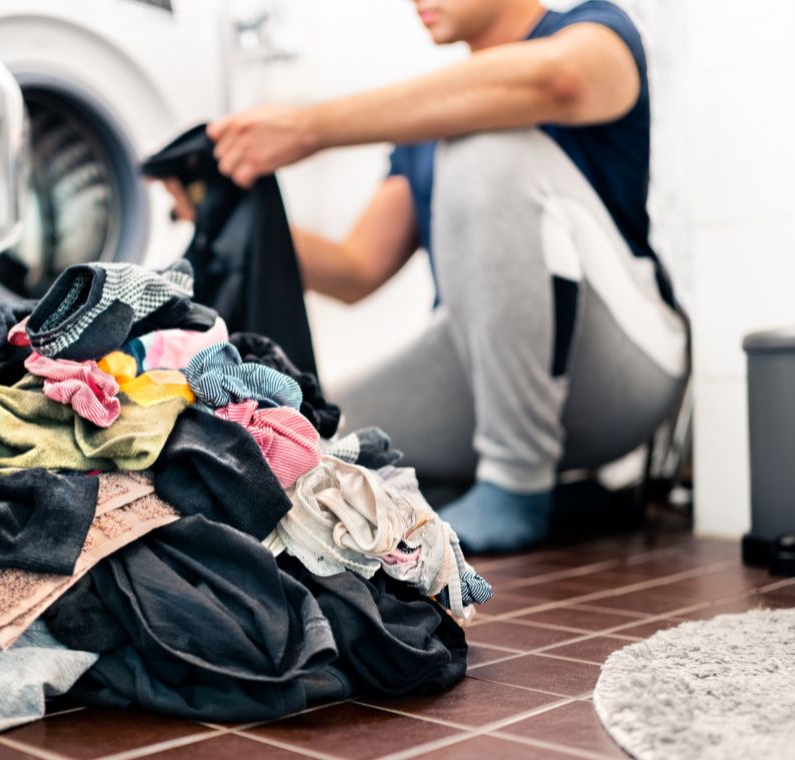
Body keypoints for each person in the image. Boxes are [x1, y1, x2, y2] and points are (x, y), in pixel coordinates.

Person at [164, 0, 688, 553]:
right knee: (312, 443)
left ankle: (516, 483)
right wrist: (216, 212)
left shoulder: (594, 31)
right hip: (488, 373)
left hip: (625, 368)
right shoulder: (424, 130)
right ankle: (556, 500)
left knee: (481, 137)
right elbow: (356, 269)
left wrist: (309, 127)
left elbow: (556, 80)